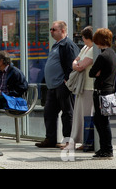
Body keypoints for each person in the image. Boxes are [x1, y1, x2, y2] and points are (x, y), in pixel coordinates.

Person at [36, 20, 80, 148]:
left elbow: (72, 64)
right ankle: (50, 139)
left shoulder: (67, 45)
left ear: (62, 31)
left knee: (67, 114)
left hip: (62, 86)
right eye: (50, 29)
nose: (51, 31)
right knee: (49, 113)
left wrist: (67, 80)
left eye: (53, 29)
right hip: (53, 87)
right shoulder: (56, 45)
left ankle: (68, 141)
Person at [62, 26, 94, 150]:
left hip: (89, 87)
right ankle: (79, 141)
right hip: (82, 86)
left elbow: (80, 65)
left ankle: (86, 141)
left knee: (86, 115)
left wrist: (76, 65)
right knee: (78, 114)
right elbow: (76, 62)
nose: (83, 41)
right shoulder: (85, 48)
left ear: (86, 38)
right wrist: (76, 64)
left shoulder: (92, 50)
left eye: (83, 38)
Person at [89, 28, 116, 159]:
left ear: (99, 41)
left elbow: (91, 73)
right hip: (109, 91)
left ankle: (107, 150)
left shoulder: (102, 56)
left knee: (102, 122)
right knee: (100, 120)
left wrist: (97, 72)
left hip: (100, 92)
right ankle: (105, 149)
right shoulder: (113, 54)